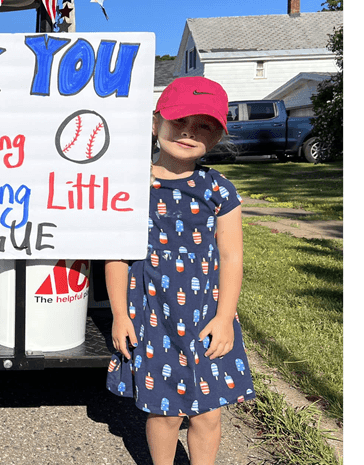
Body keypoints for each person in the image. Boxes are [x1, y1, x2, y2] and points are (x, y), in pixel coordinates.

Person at [105, 76, 255, 465]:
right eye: (179, 119)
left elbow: (232, 257)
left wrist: (224, 318)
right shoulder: (130, 187)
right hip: (153, 318)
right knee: (165, 411)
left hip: (207, 316)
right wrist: (120, 314)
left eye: (204, 124)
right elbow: (117, 255)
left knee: (207, 411)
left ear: (218, 135)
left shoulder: (219, 190)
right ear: (155, 124)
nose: (189, 131)